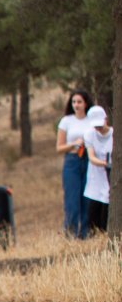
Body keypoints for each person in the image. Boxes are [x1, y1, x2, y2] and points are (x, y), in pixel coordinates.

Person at [58, 90, 94, 238]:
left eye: (79, 102)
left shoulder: (91, 120)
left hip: (88, 159)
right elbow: (59, 147)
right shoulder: (66, 121)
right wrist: (73, 143)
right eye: (74, 102)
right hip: (72, 160)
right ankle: (70, 232)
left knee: (87, 198)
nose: (76, 105)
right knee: (72, 199)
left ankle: (85, 233)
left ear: (85, 103)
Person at [83, 105, 112, 235]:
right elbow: (91, 157)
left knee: (106, 209)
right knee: (93, 213)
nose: (98, 129)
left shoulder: (114, 134)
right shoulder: (89, 135)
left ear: (106, 119)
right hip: (96, 177)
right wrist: (104, 163)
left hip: (111, 177)